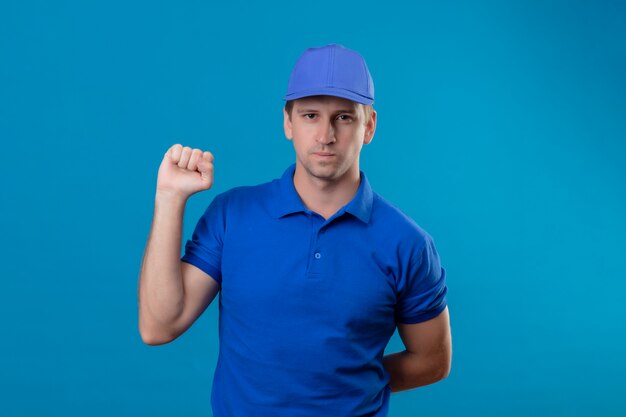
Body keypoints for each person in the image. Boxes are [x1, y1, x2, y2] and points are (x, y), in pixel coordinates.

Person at [138, 43, 452, 417]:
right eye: (310, 115)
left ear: (369, 126)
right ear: (288, 122)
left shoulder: (408, 244)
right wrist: (169, 198)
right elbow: (158, 326)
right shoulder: (232, 215)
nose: (325, 135)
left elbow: (432, 360)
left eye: (344, 118)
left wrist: (347, 383)